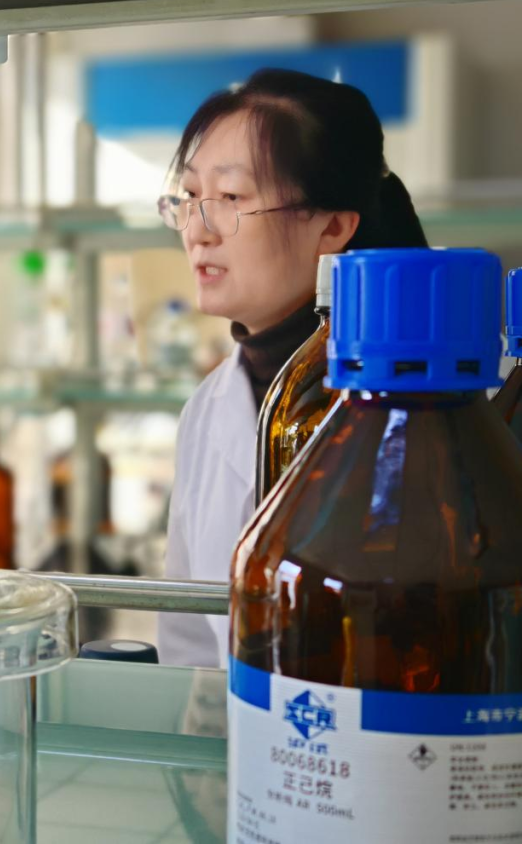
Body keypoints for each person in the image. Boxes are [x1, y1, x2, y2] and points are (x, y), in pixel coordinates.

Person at [156, 68, 428, 667]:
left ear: (331, 226)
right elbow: (190, 645)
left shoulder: (433, 402)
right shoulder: (208, 409)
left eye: (231, 199)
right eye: (190, 197)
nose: (198, 230)